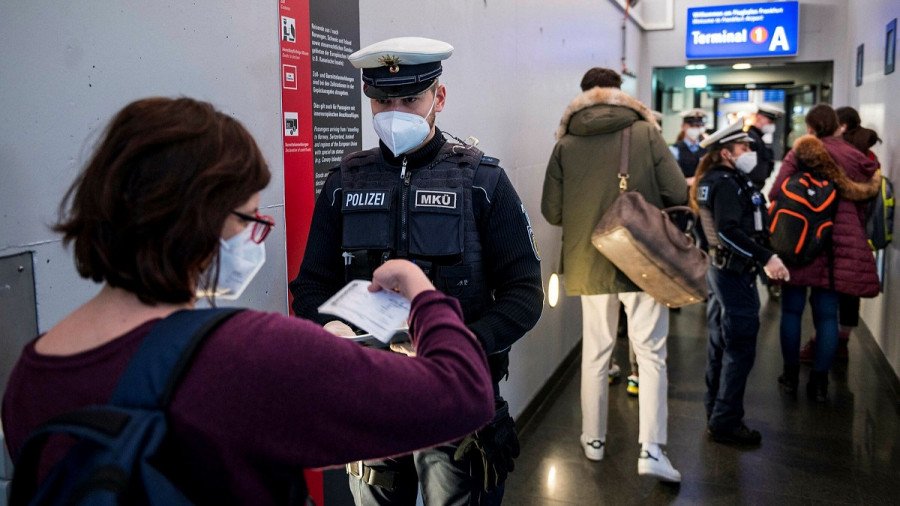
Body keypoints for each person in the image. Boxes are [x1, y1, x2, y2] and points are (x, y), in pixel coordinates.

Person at [1, 97, 497, 505]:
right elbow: (464, 393)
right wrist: (422, 293)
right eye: (249, 219)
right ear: (200, 220)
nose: (255, 236)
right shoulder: (247, 352)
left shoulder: (31, 374)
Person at [288, 37, 543, 505]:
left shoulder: (483, 181)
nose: (395, 112)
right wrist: (329, 328)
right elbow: (310, 285)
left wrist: (461, 342)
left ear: (438, 98)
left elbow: (524, 294)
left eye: (410, 99)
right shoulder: (345, 181)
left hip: (459, 396)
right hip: (373, 398)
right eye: (383, 100)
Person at [541, 66, 685, 483]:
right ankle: (651, 449)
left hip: (589, 259)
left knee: (596, 352)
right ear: (620, 93)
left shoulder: (565, 142)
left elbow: (552, 211)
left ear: (584, 95)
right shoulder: (645, 133)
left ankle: (593, 439)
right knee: (651, 353)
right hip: (641, 258)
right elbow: (677, 191)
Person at [768, 104, 880, 401]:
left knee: (791, 310)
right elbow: (866, 198)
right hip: (836, 246)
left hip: (800, 240)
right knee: (828, 315)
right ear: (837, 126)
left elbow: (776, 192)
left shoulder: (802, 151)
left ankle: (790, 376)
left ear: (811, 128)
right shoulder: (854, 156)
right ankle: (819, 383)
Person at [692, 121, 789, 446]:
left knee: (721, 345)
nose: (749, 152)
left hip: (724, 272)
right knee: (739, 348)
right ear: (726, 153)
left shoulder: (721, 180)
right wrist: (766, 258)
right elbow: (727, 232)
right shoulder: (724, 183)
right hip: (732, 274)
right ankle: (726, 422)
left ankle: (717, 412)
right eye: (743, 147)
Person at [798, 106, 883, 363]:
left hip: (826, 230)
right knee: (850, 290)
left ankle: (819, 347)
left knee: (823, 297)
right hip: (857, 232)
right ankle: (842, 343)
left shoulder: (830, 153)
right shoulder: (866, 156)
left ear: (841, 126)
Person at [745, 104, 784, 190]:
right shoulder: (750, 138)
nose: (772, 125)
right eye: (769, 122)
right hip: (750, 186)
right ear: (759, 117)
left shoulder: (758, 138)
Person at [669, 108, 709, 185]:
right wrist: (686, 181)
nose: (696, 128)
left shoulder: (707, 148)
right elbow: (671, 177)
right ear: (683, 126)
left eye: (698, 126)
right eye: (692, 125)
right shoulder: (674, 150)